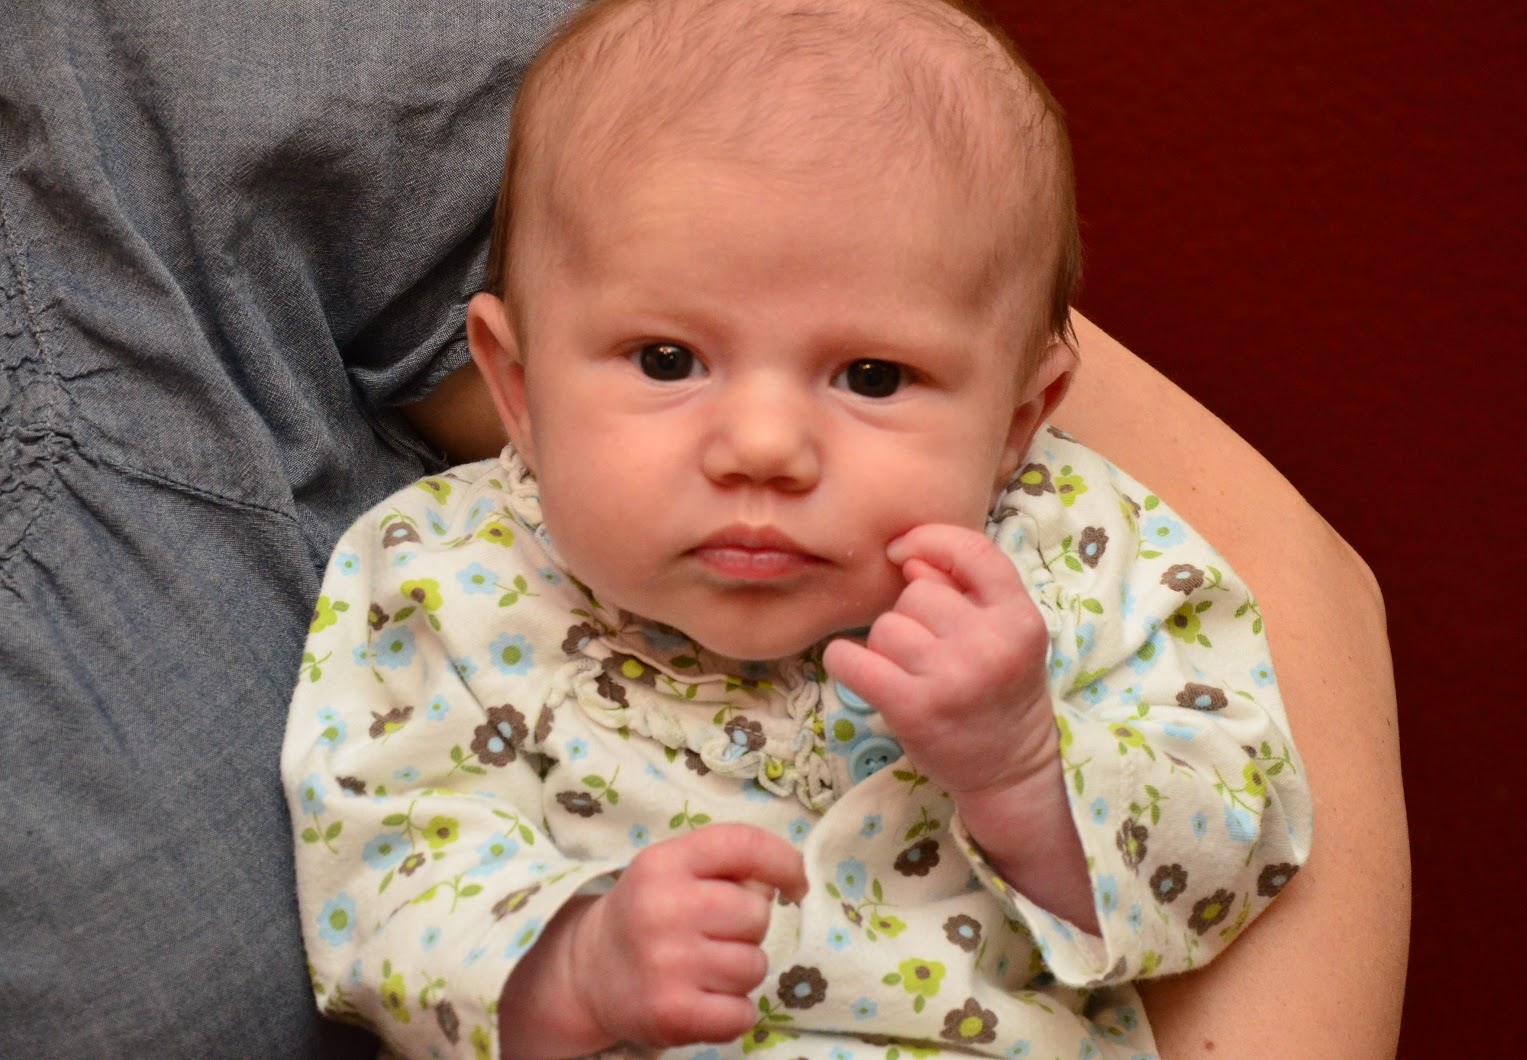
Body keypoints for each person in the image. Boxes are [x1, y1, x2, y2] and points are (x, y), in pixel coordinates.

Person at [1, 2, 1407, 1058]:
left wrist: (1027, 770)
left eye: (873, 377)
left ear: (1022, 416)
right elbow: (381, 870)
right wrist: (567, 965)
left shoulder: (1085, 558)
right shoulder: (440, 580)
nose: (762, 448)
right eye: (668, 360)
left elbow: (1243, 854)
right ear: (516, 386)